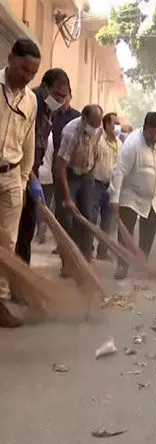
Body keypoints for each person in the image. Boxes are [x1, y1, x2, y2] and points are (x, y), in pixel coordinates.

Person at [0, 39, 40, 326]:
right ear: (11, 58)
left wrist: (24, 181)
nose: (27, 78)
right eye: (24, 69)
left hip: (12, 176)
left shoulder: (31, 100)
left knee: (8, 243)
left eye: (33, 74)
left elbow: (29, 141)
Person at [15, 67, 70, 265]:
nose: (60, 100)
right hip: (18, 168)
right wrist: (30, 174)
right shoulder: (31, 103)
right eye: (57, 94)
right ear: (44, 87)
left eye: (64, 96)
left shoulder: (50, 109)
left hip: (32, 168)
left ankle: (22, 274)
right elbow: (20, 142)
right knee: (16, 226)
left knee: (27, 225)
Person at [110, 112, 156, 280]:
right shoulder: (132, 144)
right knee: (126, 230)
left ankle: (143, 262)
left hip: (153, 198)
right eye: (152, 134)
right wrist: (115, 198)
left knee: (149, 230)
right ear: (144, 129)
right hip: (131, 195)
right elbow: (120, 171)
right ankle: (122, 263)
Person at [55, 104, 103, 268]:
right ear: (84, 119)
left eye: (98, 124)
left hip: (87, 174)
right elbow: (60, 166)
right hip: (69, 174)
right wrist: (68, 197)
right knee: (67, 218)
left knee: (88, 217)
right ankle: (68, 262)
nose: (95, 129)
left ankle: (85, 258)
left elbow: (95, 151)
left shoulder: (98, 129)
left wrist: (92, 173)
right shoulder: (71, 132)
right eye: (92, 124)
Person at [91, 112, 121, 260]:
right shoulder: (98, 141)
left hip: (112, 187)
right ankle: (87, 250)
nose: (118, 127)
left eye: (118, 123)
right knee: (91, 217)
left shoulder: (120, 144)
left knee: (107, 221)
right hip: (96, 184)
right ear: (107, 125)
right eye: (115, 123)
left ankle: (102, 251)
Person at [35, 132, 56, 244]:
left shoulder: (39, 136)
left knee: (37, 202)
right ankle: (44, 223)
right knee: (46, 203)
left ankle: (40, 225)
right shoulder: (54, 138)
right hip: (49, 175)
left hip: (38, 172)